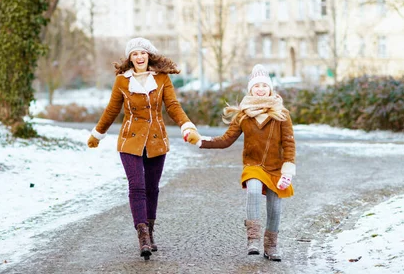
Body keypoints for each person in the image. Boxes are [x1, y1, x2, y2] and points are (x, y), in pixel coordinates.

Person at [87, 37, 201, 260]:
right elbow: (112, 110)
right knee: (136, 186)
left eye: (143, 53)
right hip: (130, 141)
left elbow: (173, 107)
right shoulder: (122, 81)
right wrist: (97, 134)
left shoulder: (162, 79)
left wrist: (187, 126)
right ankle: (143, 237)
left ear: (149, 56)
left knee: (152, 188)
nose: (139, 57)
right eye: (134, 54)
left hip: (157, 141)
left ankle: (150, 229)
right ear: (130, 58)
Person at [186, 64, 296, 261]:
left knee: (275, 208)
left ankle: (271, 246)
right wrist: (202, 141)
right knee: (253, 189)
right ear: (250, 89)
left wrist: (287, 171)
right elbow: (226, 139)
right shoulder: (244, 115)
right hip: (253, 166)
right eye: (256, 86)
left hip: (277, 168)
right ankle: (253, 239)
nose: (260, 89)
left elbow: (289, 144)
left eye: (264, 85)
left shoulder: (282, 114)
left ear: (270, 88)